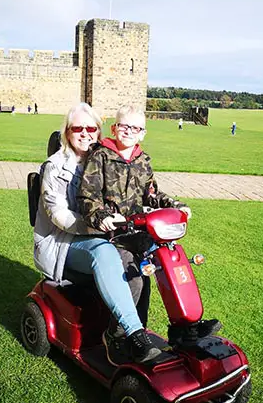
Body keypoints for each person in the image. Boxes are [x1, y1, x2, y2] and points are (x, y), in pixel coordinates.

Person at [78, 104, 221, 363]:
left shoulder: (143, 160)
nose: (129, 131)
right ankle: (118, 336)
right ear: (114, 128)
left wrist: (176, 206)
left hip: (141, 232)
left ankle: (183, 328)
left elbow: (152, 195)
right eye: (124, 126)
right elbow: (87, 196)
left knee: (171, 266)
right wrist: (101, 216)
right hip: (114, 235)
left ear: (142, 133)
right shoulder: (100, 156)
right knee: (134, 279)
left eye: (136, 128)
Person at [33, 102, 160, 365]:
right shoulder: (54, 167)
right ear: (67, 132)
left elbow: (139, 193)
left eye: (91, 128)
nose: (84, 133)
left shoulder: (103, 160)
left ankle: (141, 331)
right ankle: (130, 334)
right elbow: (60, 217)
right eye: (77, 128)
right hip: (63, 243)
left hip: (104, 236)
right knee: (104, 251)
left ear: (99, 131)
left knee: (142, 269)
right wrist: (100, 223)